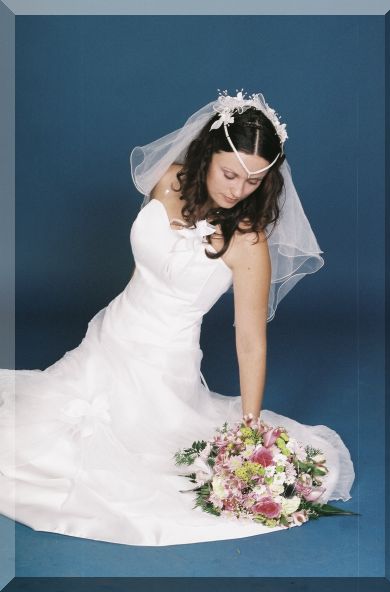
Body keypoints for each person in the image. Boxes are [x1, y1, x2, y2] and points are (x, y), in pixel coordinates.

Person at [0, 90, 355, 547]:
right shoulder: (167, 180)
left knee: (134, 471)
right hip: (109, 338)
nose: (237, 190)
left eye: (253, 181)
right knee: (31, 438)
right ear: (208, 154)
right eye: (230, 174)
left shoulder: (247, 243)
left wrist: (249, 429)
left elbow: (250, 340)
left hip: (162, 368)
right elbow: (147, 266)